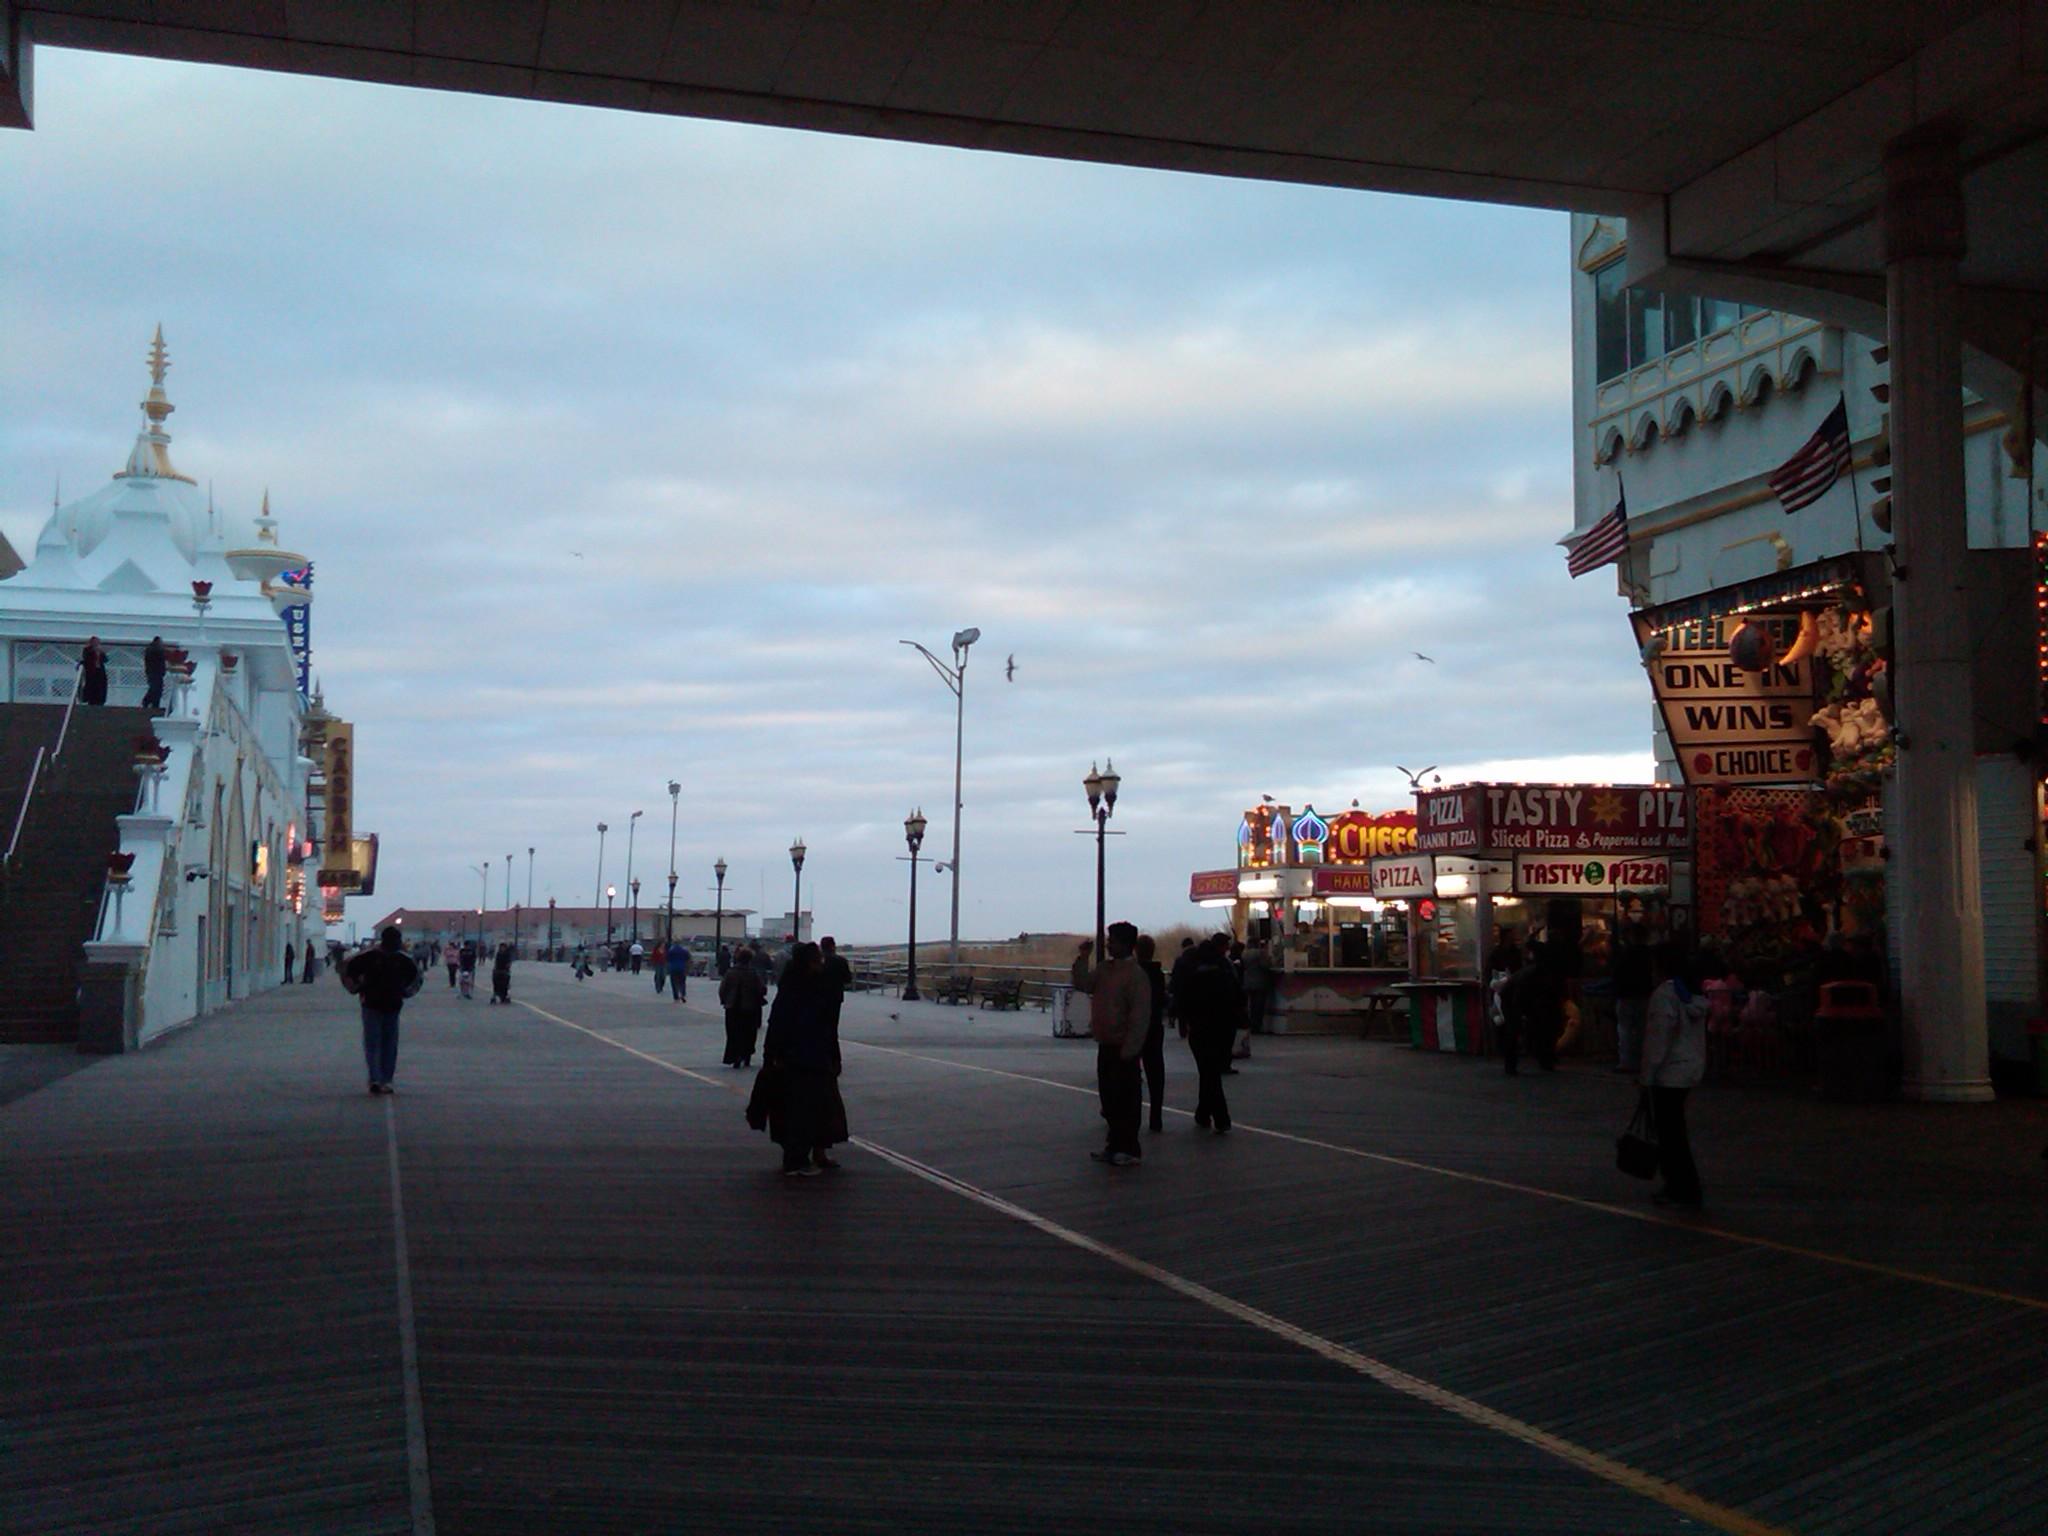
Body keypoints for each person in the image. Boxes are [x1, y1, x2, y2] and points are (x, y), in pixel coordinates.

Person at [762, 943, 848, 1176]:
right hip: (801, 1058)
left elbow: (778, 1024)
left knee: (815, 1107)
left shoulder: (794, 987)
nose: (821, 963)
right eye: (817, 960)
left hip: (809, 1056)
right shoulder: (804, 990)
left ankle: (814, 1152)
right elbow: (821, 1025)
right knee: (803, 1109)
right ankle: (797, 1158)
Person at [1074, 921, 1149, 1165]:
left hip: (1123, 1047)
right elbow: (1084, 983)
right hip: (1106, 1043)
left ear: (1126, 944)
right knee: (1109, 1098)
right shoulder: (1105, 970)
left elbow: (1139, 1015)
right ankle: (1115, 1144)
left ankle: (1129, 1147)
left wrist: (1131, 1048)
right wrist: (1083, 958)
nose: (1108, 945)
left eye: (1112, 941)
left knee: (1125, 1099)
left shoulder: (1135, 976)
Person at [1640, 943, 1709, 1208]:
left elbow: (1658, 1039)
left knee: (1670, 1134)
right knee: (1674, 1131)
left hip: (1668, 1071)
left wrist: (1647, 1075)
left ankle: (1681, 1188)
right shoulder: (1691, 993)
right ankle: (1681, 1186)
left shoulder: (1664, 996)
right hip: (1689, 1067)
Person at [343, 926, 422, 1095]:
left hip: (374, 1003)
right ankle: (385, 1079)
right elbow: (417, 979)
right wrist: (405, 993)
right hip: (387, 1004)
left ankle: (376, 1078)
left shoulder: (369, 957)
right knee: (388, 1044)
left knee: (373, 1043)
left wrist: (356, 988)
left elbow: (347, 970)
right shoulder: (401, 959)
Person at [1179, 934, 1243, 1133]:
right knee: (1211, 1072)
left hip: (1200, 1027)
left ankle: (1217, 1116)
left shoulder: (1193, 973)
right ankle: (1205, 1113)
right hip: (1222, 1027)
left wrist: (1184, 1021)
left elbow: (1183, 998)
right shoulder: (1225, 970)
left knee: (1208, 1072)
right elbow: (1236, 996)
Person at [1611, 923, 1655, 1075]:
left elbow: (1616, 973)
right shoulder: (1650, 955)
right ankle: (1643, 1059)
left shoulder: (1624, 954)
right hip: (1645, 994)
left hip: (1626, 994)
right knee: (1643, 1029)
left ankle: (1626, 1061)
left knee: (1625, 1029)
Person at [1135, 933, 1168, 1134]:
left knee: (1130, 1071)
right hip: (1154, 1025)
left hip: (1135, 1027)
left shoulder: (1133, 972)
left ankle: (1130, 1114)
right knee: (1156, 1071)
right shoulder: (1158, 973)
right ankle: (1156, 1115)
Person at [720, 948, 768, 1066]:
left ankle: (734, 1055)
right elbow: (761, 989)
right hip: (750, 1007)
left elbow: (723, 988)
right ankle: (746, 1055)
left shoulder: (730, 972)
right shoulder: (753, 973)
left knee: (733, 1032)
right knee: (749, 1032)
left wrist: (725, 1000)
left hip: (732, 1006)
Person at [1241, 940, 1273, 1050]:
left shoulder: (1244, 953)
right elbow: (1265, 966)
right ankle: (1256, 1027)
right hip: (1259, 982)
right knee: (1259, 1006)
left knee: (1251, 1005)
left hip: (1248, 982)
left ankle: (1250, 1025)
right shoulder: (1260, 953)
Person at [819, 937, 852, 1029]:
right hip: (835, 995)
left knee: (820, 1022)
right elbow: (847, 979)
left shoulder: (816, 960)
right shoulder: (841, 960)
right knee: (833, 1023)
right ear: (833, 946)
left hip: (818, 995)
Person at [80, 637, 109, 706]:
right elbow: (86, 658)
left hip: (100, 671)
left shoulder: (100, 650)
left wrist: (100, 652)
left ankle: (100, 700)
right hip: (91, 672)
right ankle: (90, 700)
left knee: (101, 686)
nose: (97, 643)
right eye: (95, 642)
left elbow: (105, 660)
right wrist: (94, 651)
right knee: (92, 686)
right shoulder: (87, 649)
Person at [142, 635, 168, 712]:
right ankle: (150, 702)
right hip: (155, 672)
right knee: (156, 688)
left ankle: (151, 702)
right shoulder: (155, 651)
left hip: (153, 672)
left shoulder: (151, 650)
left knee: (155, 688)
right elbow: (159, 661)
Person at [666, 937, 690, 1002]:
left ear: (674, 943)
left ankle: (676, 995)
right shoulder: (684, 951)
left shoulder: (671, 951)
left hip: (673, 968)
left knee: (674, 982)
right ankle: (682, 993)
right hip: (682, 968)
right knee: (682, 982)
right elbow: (688, 959)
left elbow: (667, 959)